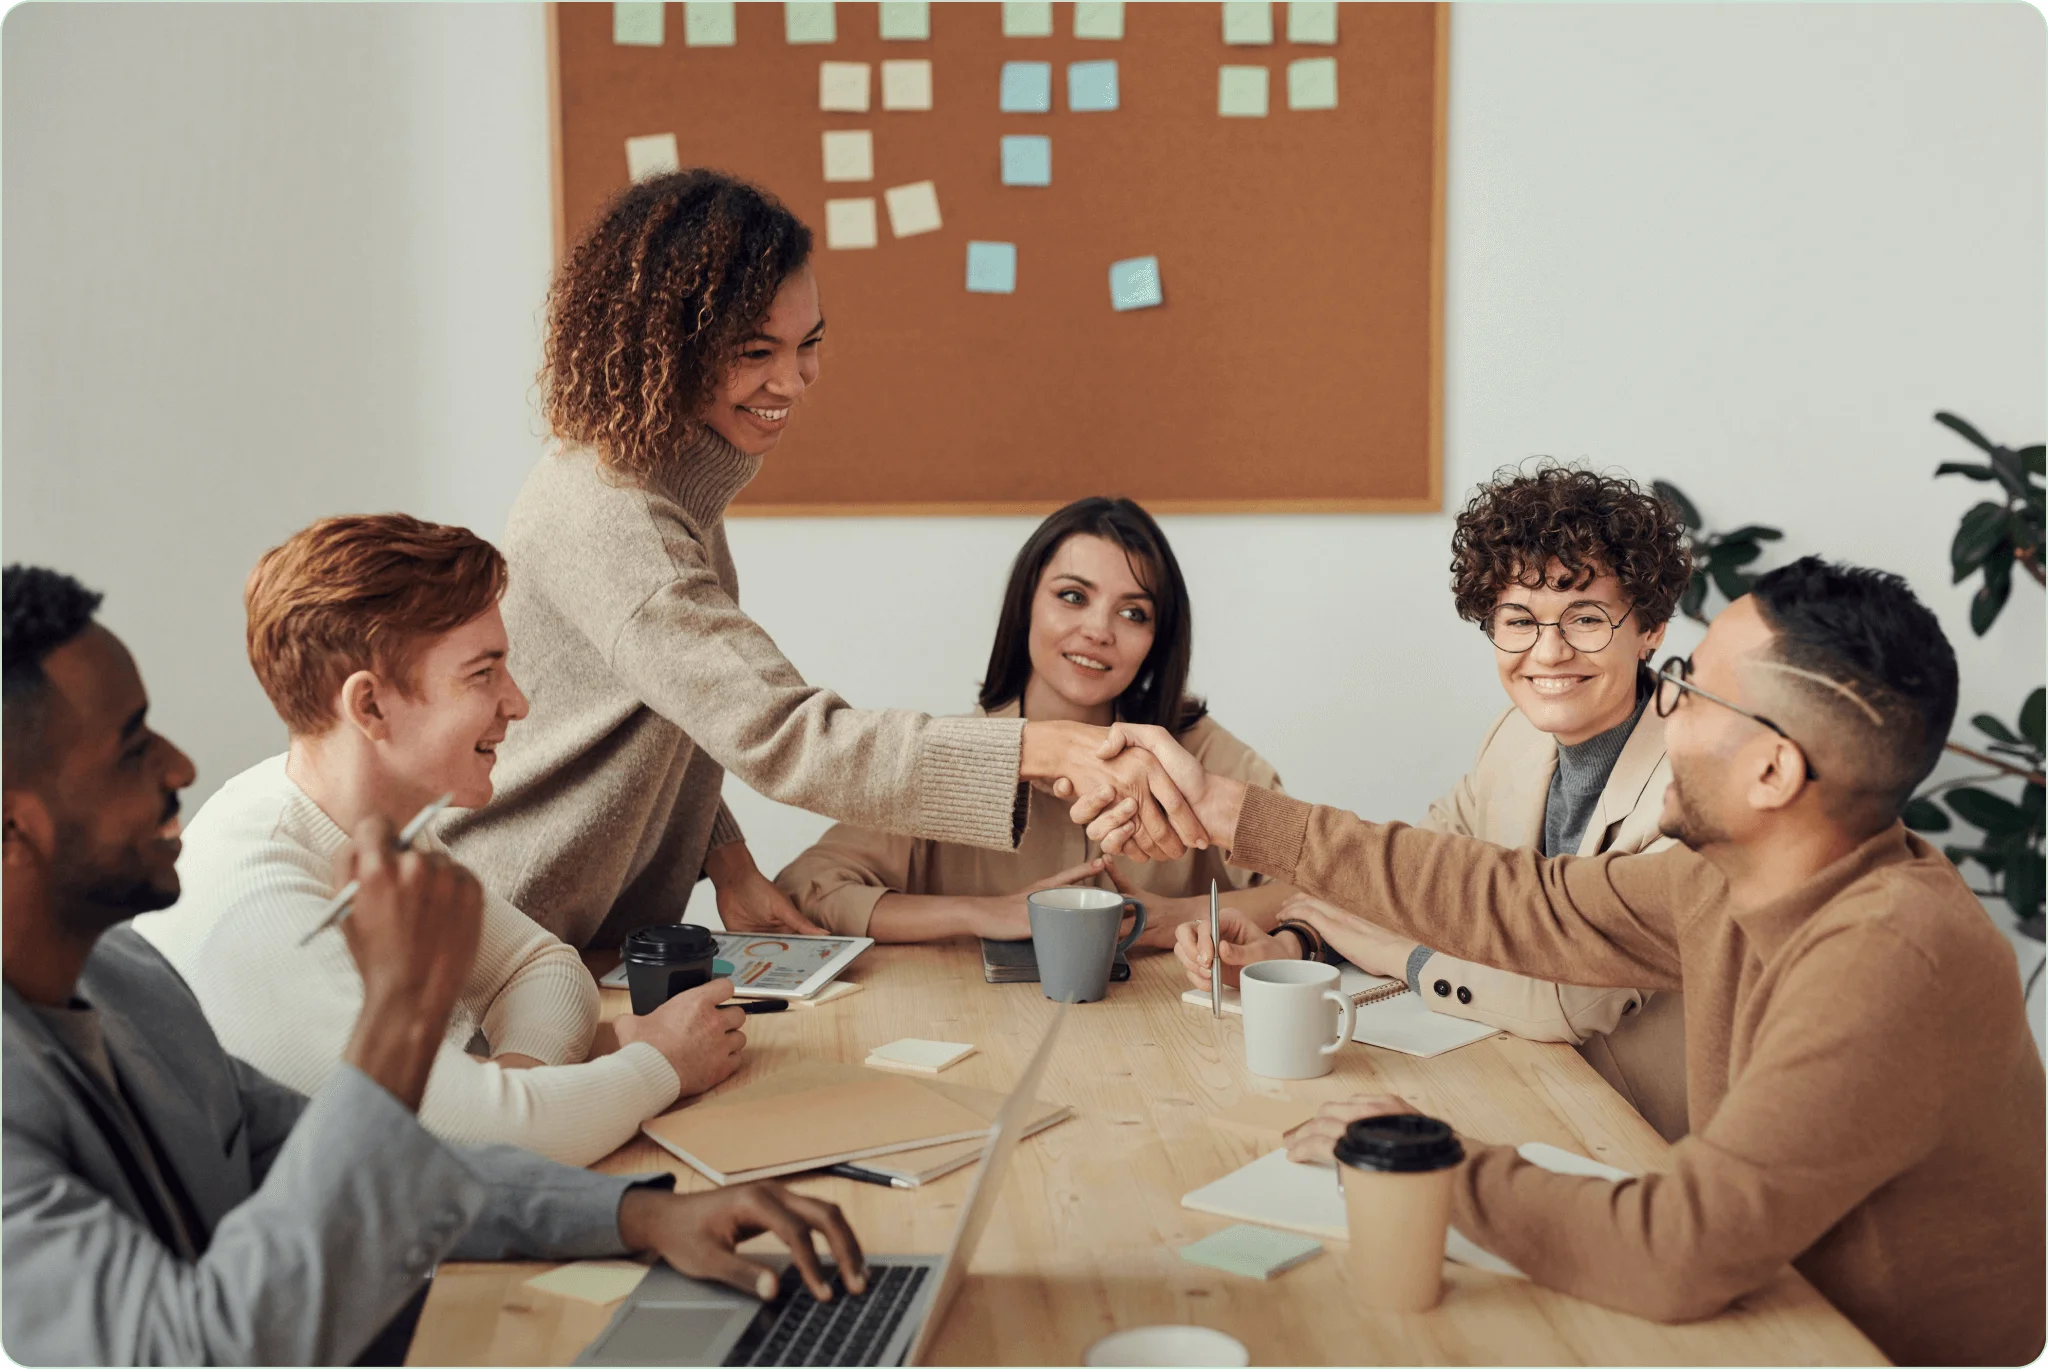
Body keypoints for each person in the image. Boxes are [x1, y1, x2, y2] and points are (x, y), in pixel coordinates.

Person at [1102, 557, 2045, 1366]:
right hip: (1767, 1305)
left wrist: (1426, 1159)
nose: (1663, 705)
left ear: (1773, 772)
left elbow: (1677, 1249)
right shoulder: (1731, 876)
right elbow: (1525, 900)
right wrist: (1230, 812)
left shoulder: (1890, 956)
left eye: (1690, 687)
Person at [0, 565, 867, 1365]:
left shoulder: (127, 979)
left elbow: (384, 1167)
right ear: (12, 829)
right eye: (131, 748)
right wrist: (403, 1012)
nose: (181, 766)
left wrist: (640, 1214)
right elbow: (201, 1350)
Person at [441, 168, 1203, 950]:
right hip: (499, 940)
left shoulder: (665, 487)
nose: (794, 379)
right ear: (667, 349)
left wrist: (727, 859)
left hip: (580, 942)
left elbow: (677, 706)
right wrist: (1037, 747)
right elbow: (787, 733)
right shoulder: (621, 520)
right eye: (755, 351)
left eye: (809, 344)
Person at [134, 516, 739, 1166]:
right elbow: (476, 1150)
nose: (518, 703)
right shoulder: (262, 905)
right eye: (482, 674)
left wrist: (517, 1087)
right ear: (370, 707)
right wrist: (659, 1063)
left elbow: (542, 967)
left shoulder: (368, 820)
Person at [1175, 463, 1693, 1139]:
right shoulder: (1515, 738)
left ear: (1651, 627)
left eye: (1586, 618)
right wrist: (1297, 942)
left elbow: (1571, 1000)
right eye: (1519, 620)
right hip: (1523, 1088)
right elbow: (1415, 880)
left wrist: (1403, 957)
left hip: (1642, 1134)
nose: (1548, 652)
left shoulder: (1692, 783)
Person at [774, 497, 1295, 946]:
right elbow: (806, 888)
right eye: (1073, 597)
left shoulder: (1200, 755)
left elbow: (1320, 882)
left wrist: (1180, 916)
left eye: (1133, 612)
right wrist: (982, 913)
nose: (1098, 630)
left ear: (1157, 640)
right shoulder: (949, 758)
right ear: (1026, 604)